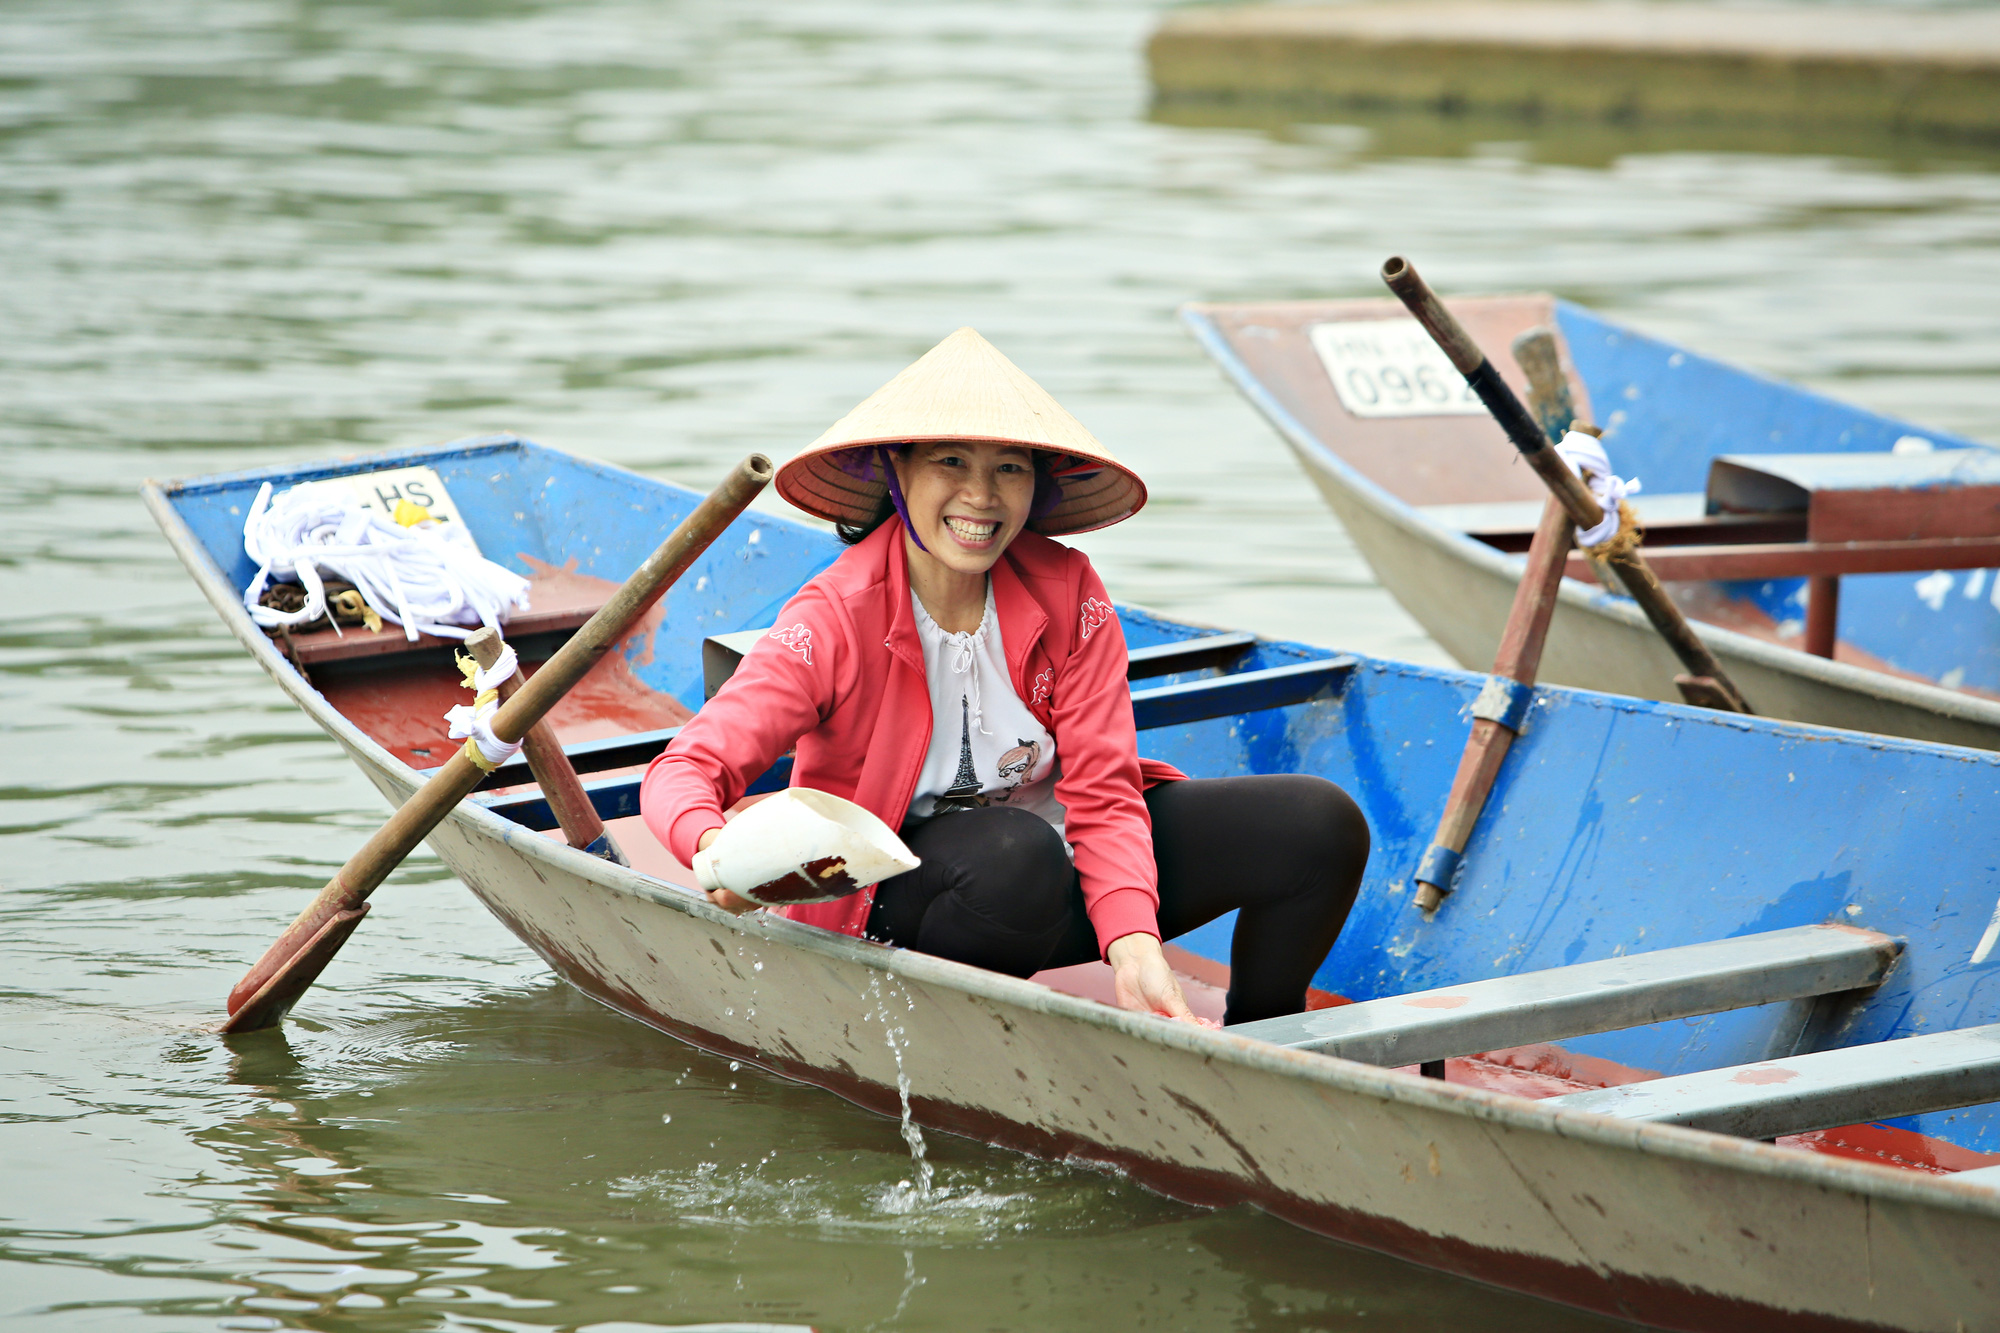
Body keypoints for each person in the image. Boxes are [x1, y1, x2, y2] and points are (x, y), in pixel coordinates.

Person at [640, 329, 1369, 1025]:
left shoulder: (1070, 591)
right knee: (1014, 855)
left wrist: (1133, 941)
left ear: (1034, 484)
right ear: (898, 471)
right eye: (951, 462)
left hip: (1063, 882)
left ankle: (1261, 1048)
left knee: (1319, 825)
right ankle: (951, 1046)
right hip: (912, 904)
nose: (981, 496)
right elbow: (685, 769)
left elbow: (1106, 790)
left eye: (1008, 468)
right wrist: (715, 853)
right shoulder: (836, 616)